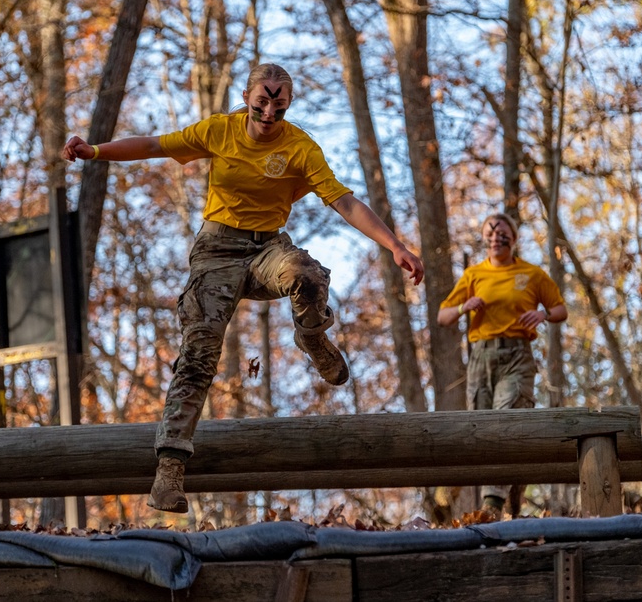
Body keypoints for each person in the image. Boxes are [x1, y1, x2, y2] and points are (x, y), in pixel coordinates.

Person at [63, 63, 425, 513]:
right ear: (247, 95)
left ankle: (312, 336)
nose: (269, 110)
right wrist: (94, 150)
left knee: (307, 276)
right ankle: (169, 472)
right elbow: (155, 144)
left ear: (288, 104)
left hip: (267, 251)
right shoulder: (220, 131)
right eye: (263, 100)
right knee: (198, 356)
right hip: (216, 252)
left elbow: (344, 200)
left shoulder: (300, 147)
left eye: (279, 103)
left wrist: (395, 245)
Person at [437, 212, 567, 516]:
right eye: (490, 233)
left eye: (502, 232)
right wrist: (463, 307)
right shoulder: (473, 275)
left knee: (507, 422)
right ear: (485, 239)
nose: (496, 237)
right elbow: (442, 317)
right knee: (481, 430)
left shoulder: (532, 274)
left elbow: (560, 309)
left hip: (517, 355)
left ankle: (492, 505)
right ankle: (506, 505)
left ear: (514, 238)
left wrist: (543, 315)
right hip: (481, 357)